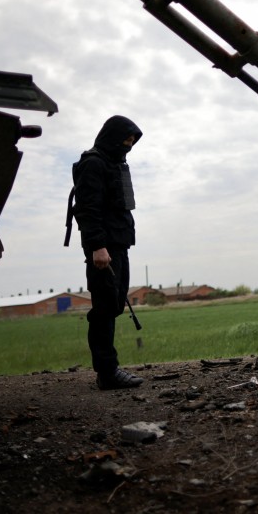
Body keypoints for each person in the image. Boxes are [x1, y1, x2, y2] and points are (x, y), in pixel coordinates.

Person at [71, 115, 145, 390]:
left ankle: (109, 370)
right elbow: (87, 209)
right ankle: (107, 372)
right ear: (113, 137)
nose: (128, 146)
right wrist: (97, 247)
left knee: (113, 304)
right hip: (104, 248)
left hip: (119, 244)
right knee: (103, 308)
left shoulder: (115, 163)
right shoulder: (94, 163)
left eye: (132, 143)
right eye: (126, 141)